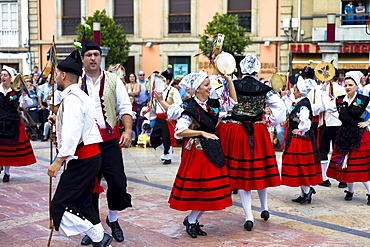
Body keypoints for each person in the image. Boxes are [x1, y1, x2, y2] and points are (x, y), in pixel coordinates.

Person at [47, 50, 113, 247]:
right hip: (89, 157)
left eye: (57, 74)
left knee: (59, 205)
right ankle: (102, 240)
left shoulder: (73, 98)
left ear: (64, 75)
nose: (56, 78)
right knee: (83, 202)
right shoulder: (79, 95)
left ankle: (99, 237)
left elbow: (73, 133)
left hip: (83, 159)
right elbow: (78, 126)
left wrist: (58, 161)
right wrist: (57, 120)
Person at [219, 54, 286, 231]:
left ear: (241, 70)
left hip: (236, 131)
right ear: (257, 70)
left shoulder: (232, 84)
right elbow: (281, 110)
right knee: (260, 169)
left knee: (242, 174)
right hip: (257, 130)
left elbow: (222, 105)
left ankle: (249, 216)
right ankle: (264, 208)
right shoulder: (265, 89)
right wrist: (270, 122)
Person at [168, 72, 236, 238]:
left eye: (209, 85)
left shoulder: (213, 103)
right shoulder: (189, 106)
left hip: (212, 150)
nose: (209, 88)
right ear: (197, 88)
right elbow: (180, 131)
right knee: (203, 190)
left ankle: (191, 220)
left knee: (210, 190)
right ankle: (191, 221)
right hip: (198, 152)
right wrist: (202, 133)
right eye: (206, 85)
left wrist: (229, 80)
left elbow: (233, 102)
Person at [79, 40, 133, 245]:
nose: (93, 58)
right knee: (89, 187)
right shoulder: (76, 82)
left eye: (96, 54)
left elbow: (125, 106)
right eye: (89, 55)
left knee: (118, 183)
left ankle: (113, 219)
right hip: (85, 142)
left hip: (109, 139)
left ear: (101, 57)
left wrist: (127, 130)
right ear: (83, 58)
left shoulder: (113, 80)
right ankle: (93, 227)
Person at [323, 71, 370, 205]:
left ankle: (369, 193)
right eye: (346, 85)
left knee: (359, 165)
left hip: (359, 135)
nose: (348, 87)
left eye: (350, 85)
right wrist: (324, 90)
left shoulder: (364, 99)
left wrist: (368, 122)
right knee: (345, 165)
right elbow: (327, 107)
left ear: (356, 86)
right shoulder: (340, 100)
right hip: (343, 134)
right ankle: (350, 191)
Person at [281, 76, 322, 204]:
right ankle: (304, 192)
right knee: (300, 165)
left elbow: (305, 121)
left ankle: (307, 190)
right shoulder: (301, 102)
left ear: (300, 91)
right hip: (300, 139)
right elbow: (290, 108)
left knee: (300, 165)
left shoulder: (303, 105)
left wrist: (299, 130)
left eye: (295, 89)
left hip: (301, 140)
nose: (293, 91)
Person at [0, 66, 36, 182]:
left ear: (11, 77)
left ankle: (7, 172)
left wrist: (24, 92)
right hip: (0, 121)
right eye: (1, 75)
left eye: (5, 75)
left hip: (12, 122)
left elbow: (27, 104)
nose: (2, 77)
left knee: (9, 148)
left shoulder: (16, 91)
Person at [316, 70, 346, 188]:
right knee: (323, 150)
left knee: (339, 150)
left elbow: (331, 107)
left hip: (337, 122)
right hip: (324, 123)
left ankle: (341, 177)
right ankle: (324, 177)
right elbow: (318, 107)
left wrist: (323, 96)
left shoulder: (340, 89)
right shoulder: (319, 89)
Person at [150, 70, 182, 165]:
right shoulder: (157, 91)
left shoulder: (173, 91)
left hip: (168, 118)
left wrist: (173, 113)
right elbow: (154, 104)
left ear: (168, 81)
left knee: (167, 138)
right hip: (159, 118)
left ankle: (167, 156)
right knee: (153, 138)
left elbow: (178, 104)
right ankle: (168, 149)